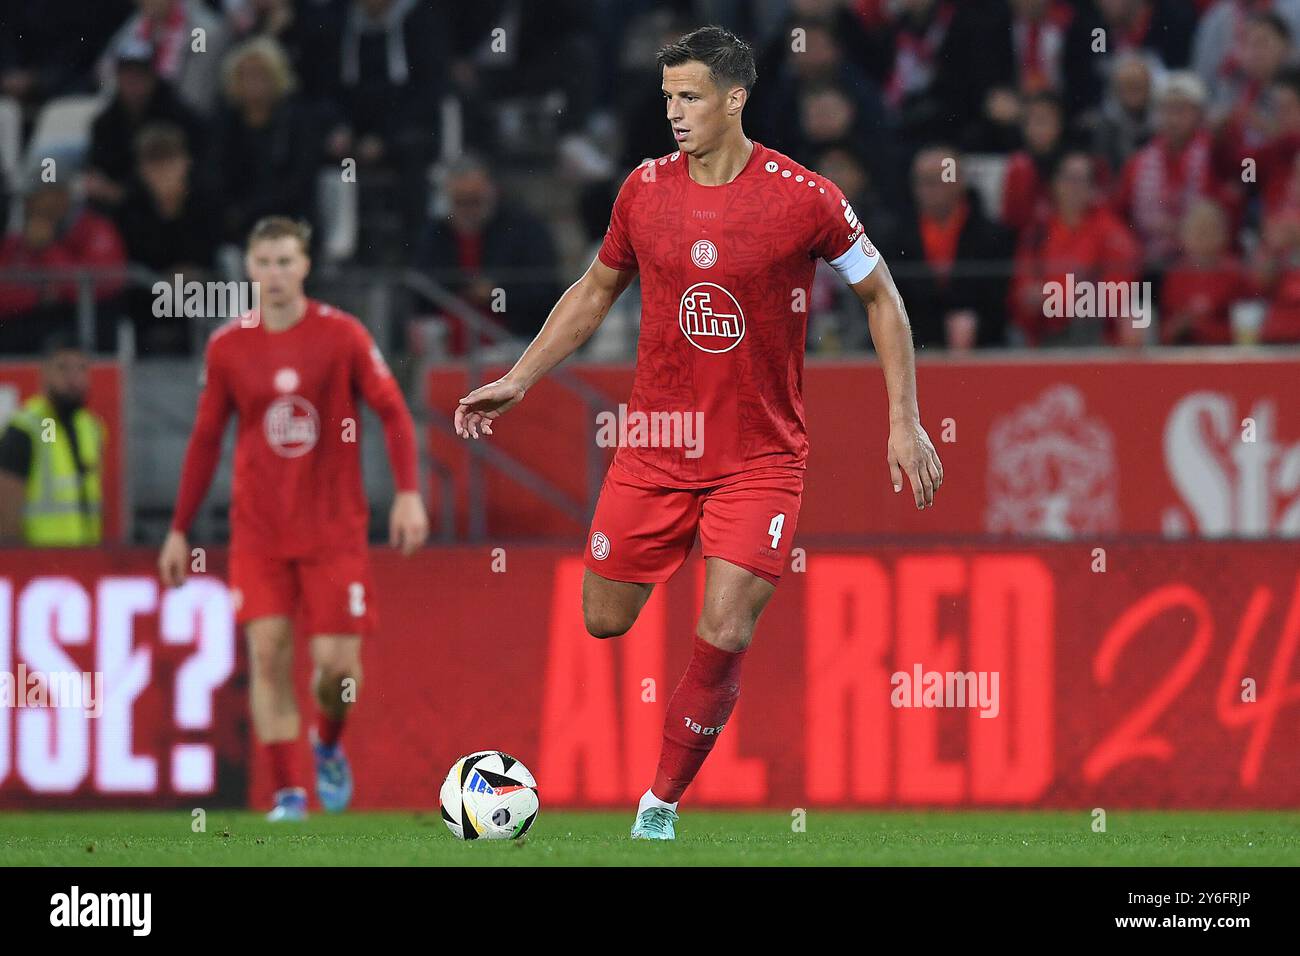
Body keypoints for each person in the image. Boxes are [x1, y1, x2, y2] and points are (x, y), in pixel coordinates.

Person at [453, 26, 943, 840]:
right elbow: (593, 289)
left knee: (723, 628)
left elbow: (883, 296)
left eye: (690, 97)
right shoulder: (643, 190)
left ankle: (659, 807)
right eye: (668, 97)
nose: (674, 113)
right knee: (604, 618)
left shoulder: (805, 196)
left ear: (735, 99)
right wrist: (520, 376)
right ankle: (686, 546)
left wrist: (906, 420)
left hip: (760, 458)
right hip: (655, 448)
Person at [158, 216, 429, 821]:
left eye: (286, 262)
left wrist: (408, 493)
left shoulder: (344, 336)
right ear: (249, 270)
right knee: (268, 653)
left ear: (305, 266)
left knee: (336, 672)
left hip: (334, 531)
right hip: (259, 532)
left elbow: (392, 410)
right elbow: (205, 440)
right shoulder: (229, 347)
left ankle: (327, 746)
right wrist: (179, 528)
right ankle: (287, 794)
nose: (275, 274)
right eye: (265, 263)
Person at [0, 336, 106, 546]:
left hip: (86, 556)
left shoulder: (92, 428)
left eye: (81, 369)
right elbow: (7, 513)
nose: (73, 379)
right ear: (44, 373)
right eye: (63, 368)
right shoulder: (25, 428)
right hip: (40, 561)